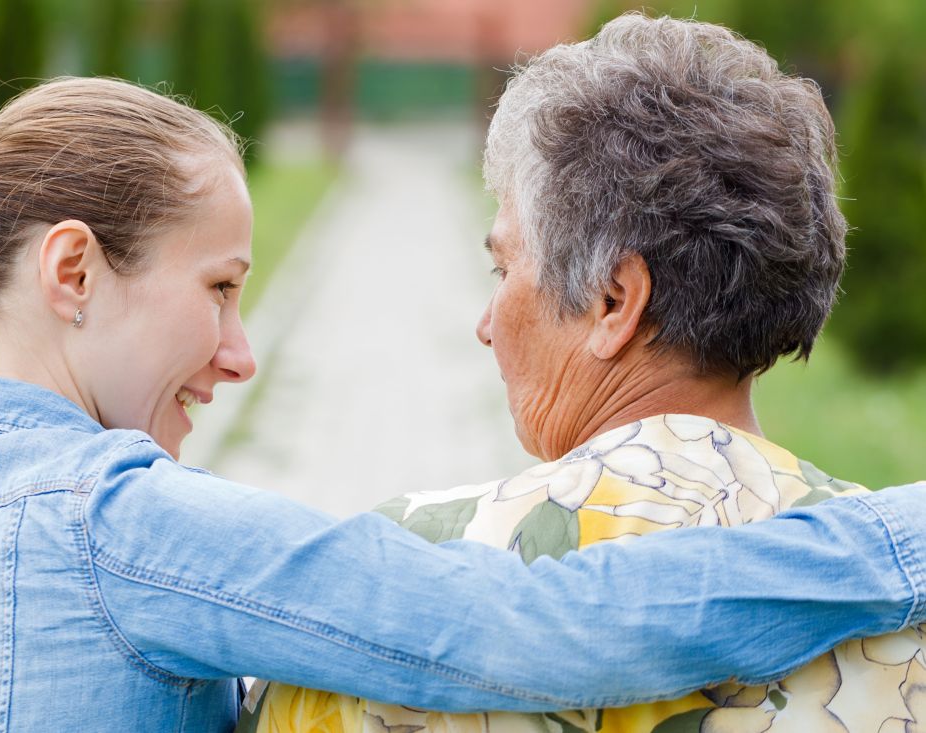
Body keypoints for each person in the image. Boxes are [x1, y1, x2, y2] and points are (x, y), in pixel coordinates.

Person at [0, 77, 923, 733]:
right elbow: (535, 625)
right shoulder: (116, 525)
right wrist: (896, 536)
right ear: (71, 272)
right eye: (216, 288)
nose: (239, 354)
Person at [242, 13, 926, 733]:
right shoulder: (899, 598)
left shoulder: (403, 582)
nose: (485, 323)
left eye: (503, 267)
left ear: (613, 300)